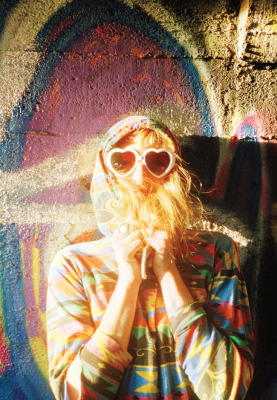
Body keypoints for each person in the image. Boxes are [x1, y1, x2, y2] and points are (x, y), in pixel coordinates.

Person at [47, 116, 254, 400]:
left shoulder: (215, 252)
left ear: (174, 173)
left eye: (157, 161)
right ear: (105, 174)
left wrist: (168, 273)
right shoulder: (74, 266)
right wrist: (127, 282)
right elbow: (76, 395)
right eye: (122, 162)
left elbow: (229, 389)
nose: (140, 178)